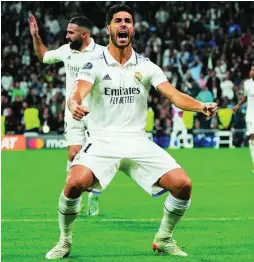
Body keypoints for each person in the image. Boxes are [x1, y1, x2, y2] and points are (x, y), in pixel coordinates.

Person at [45, 4, 218, 260]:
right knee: (74, 183)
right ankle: (65, 241)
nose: (123, 24)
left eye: (127, 20)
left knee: (183, 185)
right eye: (117, 20)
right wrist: (74, 104)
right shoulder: (93, 64)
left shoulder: (147, 66)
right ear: (109, 28)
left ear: (133, 28)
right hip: (102, 141)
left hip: (138, 142)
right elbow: (78, 91)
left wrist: (200, 106)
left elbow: (174, 95)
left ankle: (164, 238)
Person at [28, 14, 103, 216]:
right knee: (72, 154)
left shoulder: (103, 54)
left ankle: (94, 196)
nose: (66, 35)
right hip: (72, 111)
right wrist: (36, 36)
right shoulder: (66, 51)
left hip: (97, 113)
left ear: (84, 34)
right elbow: (43, 56)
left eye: (71, 32)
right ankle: (74, 198)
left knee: (99, 159)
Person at [233, 64, 254, 173]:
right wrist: (238, 105)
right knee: (252, 136)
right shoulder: (247, 84)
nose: (251, 72)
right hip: (251, 115)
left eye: (253, 70)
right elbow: (245, 97)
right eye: (251, 69)